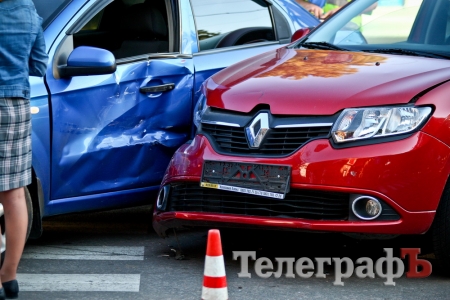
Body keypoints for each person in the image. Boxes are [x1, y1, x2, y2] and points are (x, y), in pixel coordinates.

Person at [0, 0, 48, 299]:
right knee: (14, 193)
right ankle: (9, 277)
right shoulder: (28, 11)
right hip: (15, 104)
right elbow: (40, 65)